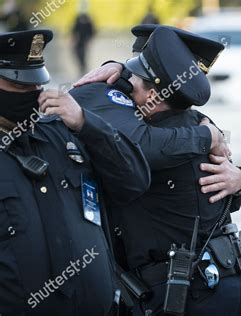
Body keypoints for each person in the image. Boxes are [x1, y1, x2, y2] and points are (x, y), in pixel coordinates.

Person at [67, 26, 241, 316]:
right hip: (225, 282)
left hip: (190, 292)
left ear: (154, 93)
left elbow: (137, 146)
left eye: (131, 82)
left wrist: (240, 177)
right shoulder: (197, 127)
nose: (124, 89)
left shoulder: (172, 136)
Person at [0, 29, 150, 316]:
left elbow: (134, 181)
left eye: (36, 85)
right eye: (20, 87)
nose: (34, 94)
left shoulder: (62, 134)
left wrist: (86, 123)